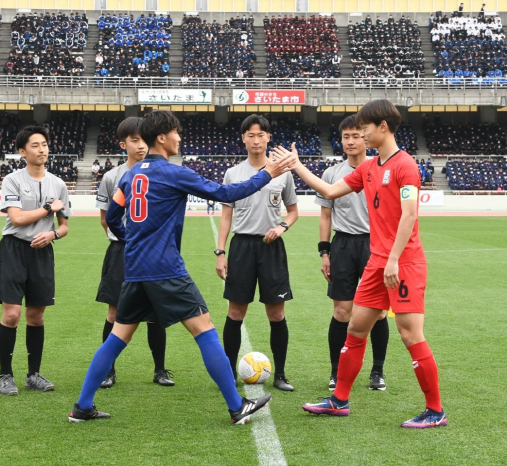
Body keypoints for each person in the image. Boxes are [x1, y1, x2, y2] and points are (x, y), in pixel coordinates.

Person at [68, 110, 296, 424]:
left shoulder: (130, 175)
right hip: (165, 268)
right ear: (162, 137)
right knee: (205, 330)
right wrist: (267, 173)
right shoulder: (173, 172)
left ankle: (82, 406)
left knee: (118, 337)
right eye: (176, 132)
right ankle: (235, 407)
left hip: (135, 269)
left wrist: (130, 239)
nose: (179, 137)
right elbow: (226, 194)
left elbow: (113, 216)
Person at [273, 99, 447, 429]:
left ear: (383, 127)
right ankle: (339, 400)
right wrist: (296, 165)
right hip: (376, 264)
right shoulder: (367, 169)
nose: (362, 134)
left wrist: (393, 259)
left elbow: (410, 215)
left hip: (403, 262)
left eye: (365, 127)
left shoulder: (405, 166)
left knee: (410, 334)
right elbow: (328, 189)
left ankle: (435, 410)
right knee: (355, 327)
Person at [216, 114, 299, 392]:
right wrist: (220, 251)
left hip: (271, 247)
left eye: (260, 134)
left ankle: (281, 374)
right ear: (243, 139)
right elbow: (226, 215)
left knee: (276, 314)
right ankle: (228, 373)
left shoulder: (283, 172)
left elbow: (293, 211)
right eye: (250, 135)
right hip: (241, 247)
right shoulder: (233, 173)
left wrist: (282, 227)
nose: (255, 140)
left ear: (268, 138)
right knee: (236, 311)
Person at [0, 126, 71, 396]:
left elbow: (64, 226)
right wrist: (49, 208)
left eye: (45, 144)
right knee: (12, 315)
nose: (42, 149)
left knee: (36, 316)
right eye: (35, 145)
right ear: (22, 152)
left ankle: (33, 374)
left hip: (42, 252)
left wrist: (53, 234)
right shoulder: (12, 180)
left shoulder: (58, 184)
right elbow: (17, 219)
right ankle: (5, 376)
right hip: (13, 249)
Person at [95, 117, 173, 389]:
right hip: (122, 250)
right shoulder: (111, 177)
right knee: (114, 313)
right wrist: (129, 240)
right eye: (134, 140)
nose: (141, 145)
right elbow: (106, 218)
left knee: (155, 313)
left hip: (152, 253)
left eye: (144, 139)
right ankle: (108, 371)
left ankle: (160, 369)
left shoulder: (159, 173)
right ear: (123, 144)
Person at [316, 115, 390, 392]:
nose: (350, 141)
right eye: (345, 137)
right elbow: (325, 216)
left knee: (379, 313)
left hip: (376, 245)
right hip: (343, 245)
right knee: (342, 311)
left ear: (365, 137)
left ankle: (377, 371)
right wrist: (325, 252)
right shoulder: (332, 174)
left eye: (355, 136)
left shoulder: (380, 170)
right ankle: (336, 371)